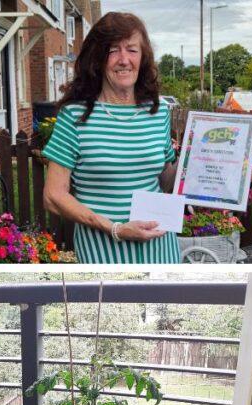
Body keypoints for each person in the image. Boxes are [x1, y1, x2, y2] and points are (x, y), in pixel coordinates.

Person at [41, 12, 179, 263]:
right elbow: (53, 196)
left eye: (132, 50)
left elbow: (163, 182)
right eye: (113, 50)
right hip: (103, 251)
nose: (124, 60)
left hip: (161, 248)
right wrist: (115, 228)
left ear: (143, 57)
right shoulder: (75, 115)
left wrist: (193, 158)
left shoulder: (157, 113)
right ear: (98, 59)